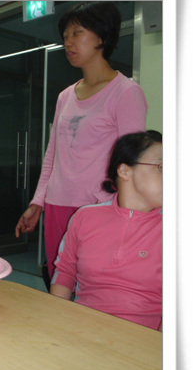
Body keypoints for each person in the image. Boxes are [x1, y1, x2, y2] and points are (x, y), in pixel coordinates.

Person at [14, 1, 147, 281]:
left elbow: (131, 160)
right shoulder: (65, 95)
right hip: (57, 203)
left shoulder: (126, 93)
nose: (68, 42)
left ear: (101, 36)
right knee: (58, 281)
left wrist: (113, 205)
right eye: (65, 37)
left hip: (98, 206)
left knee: (92, 285)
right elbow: (53, 154)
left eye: (77, 33)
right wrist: (38, 202)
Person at [50, 131, 162, 330]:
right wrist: (57, 324)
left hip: (144, 339)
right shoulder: (85, 218)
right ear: (125, 171)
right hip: (81, 329)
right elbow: (65, 272)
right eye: (162, 167)